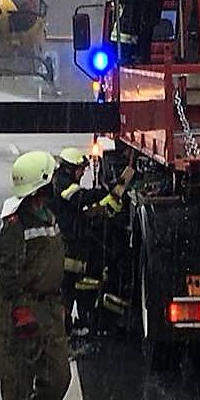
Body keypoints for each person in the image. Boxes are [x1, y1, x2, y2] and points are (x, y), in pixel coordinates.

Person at [0, 151, 71, 400]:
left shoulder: (46, 213)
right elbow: (9, 276)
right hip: (18, 312)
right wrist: (22, 313)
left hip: (48, 309)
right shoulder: (14, 223)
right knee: (17, 390)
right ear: (41, 182)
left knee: (58, 378)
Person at [52, 147, 133, 349]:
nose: (82, 173)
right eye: (81, 169)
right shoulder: (62, 183)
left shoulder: (61, 180)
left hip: (72, 244)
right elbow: (80, 198)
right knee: (72, 287)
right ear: (71, 168)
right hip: (70, 245)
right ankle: (70, 329)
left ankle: (74, 326)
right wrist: (105, 192)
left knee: (73, 287)